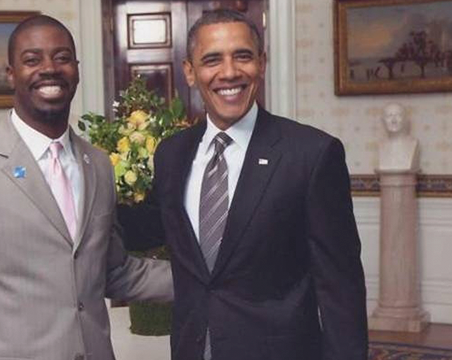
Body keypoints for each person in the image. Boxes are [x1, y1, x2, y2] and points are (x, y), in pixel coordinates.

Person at [0, 15, 173, 360]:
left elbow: (113, 271)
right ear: (11, 74)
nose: (49, 68)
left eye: (62, 57)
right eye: (32, 59)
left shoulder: (97, 164)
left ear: (77, 70)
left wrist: (210, 277)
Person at [149, 10, 368, 359]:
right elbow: (151, 234)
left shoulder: (311, 154)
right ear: (190, 72)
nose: (230, 72)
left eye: (243, 56)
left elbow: (340, 286)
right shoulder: (171, 154)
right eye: (212, 60)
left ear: (262, 64)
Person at [378, 103, 420, 171]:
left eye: (398, 115)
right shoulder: (380, 144)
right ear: (382, 121)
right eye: (389, 116)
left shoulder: (414, 143)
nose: (394, 120)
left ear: (405, 120)